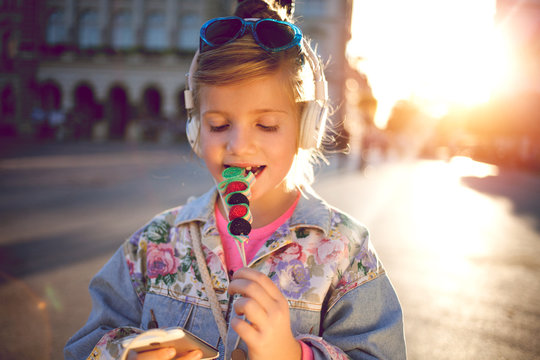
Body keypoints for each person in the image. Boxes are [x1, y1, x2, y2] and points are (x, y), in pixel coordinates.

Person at [64, 1, 406, 359]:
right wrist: (125, 354)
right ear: (196, 129)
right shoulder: (154, 242)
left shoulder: (345, 253)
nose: (239, 145)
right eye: (219, 125)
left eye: (267, 125)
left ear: (307, 128)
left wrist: (292, 354)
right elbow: (84, 344)